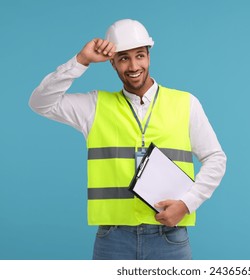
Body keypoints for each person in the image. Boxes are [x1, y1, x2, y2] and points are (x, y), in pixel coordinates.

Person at [29, 19, 226, 260]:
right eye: (123, 58)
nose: (134, 66)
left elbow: (215, 158)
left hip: (169, 236)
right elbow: (40, 103)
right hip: (113, 239)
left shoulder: (186, 104)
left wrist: (187, 204)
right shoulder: (94, 106)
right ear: (112, 62)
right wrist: (81, 61)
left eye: (140, 56)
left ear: (149, 57)